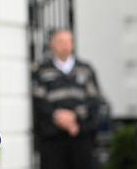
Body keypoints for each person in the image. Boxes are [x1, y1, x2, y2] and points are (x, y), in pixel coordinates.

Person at [32, 29, 102, 169]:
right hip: (52, 139)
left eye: (68, 41)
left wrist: (74, 117)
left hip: (80, 135)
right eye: (60, 42)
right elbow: (39, 102)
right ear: (52, 45)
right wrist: (57, 116)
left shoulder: (86, 69)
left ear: (73, 44)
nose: (64, 45)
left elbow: (94, 100)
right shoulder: (41, 70)